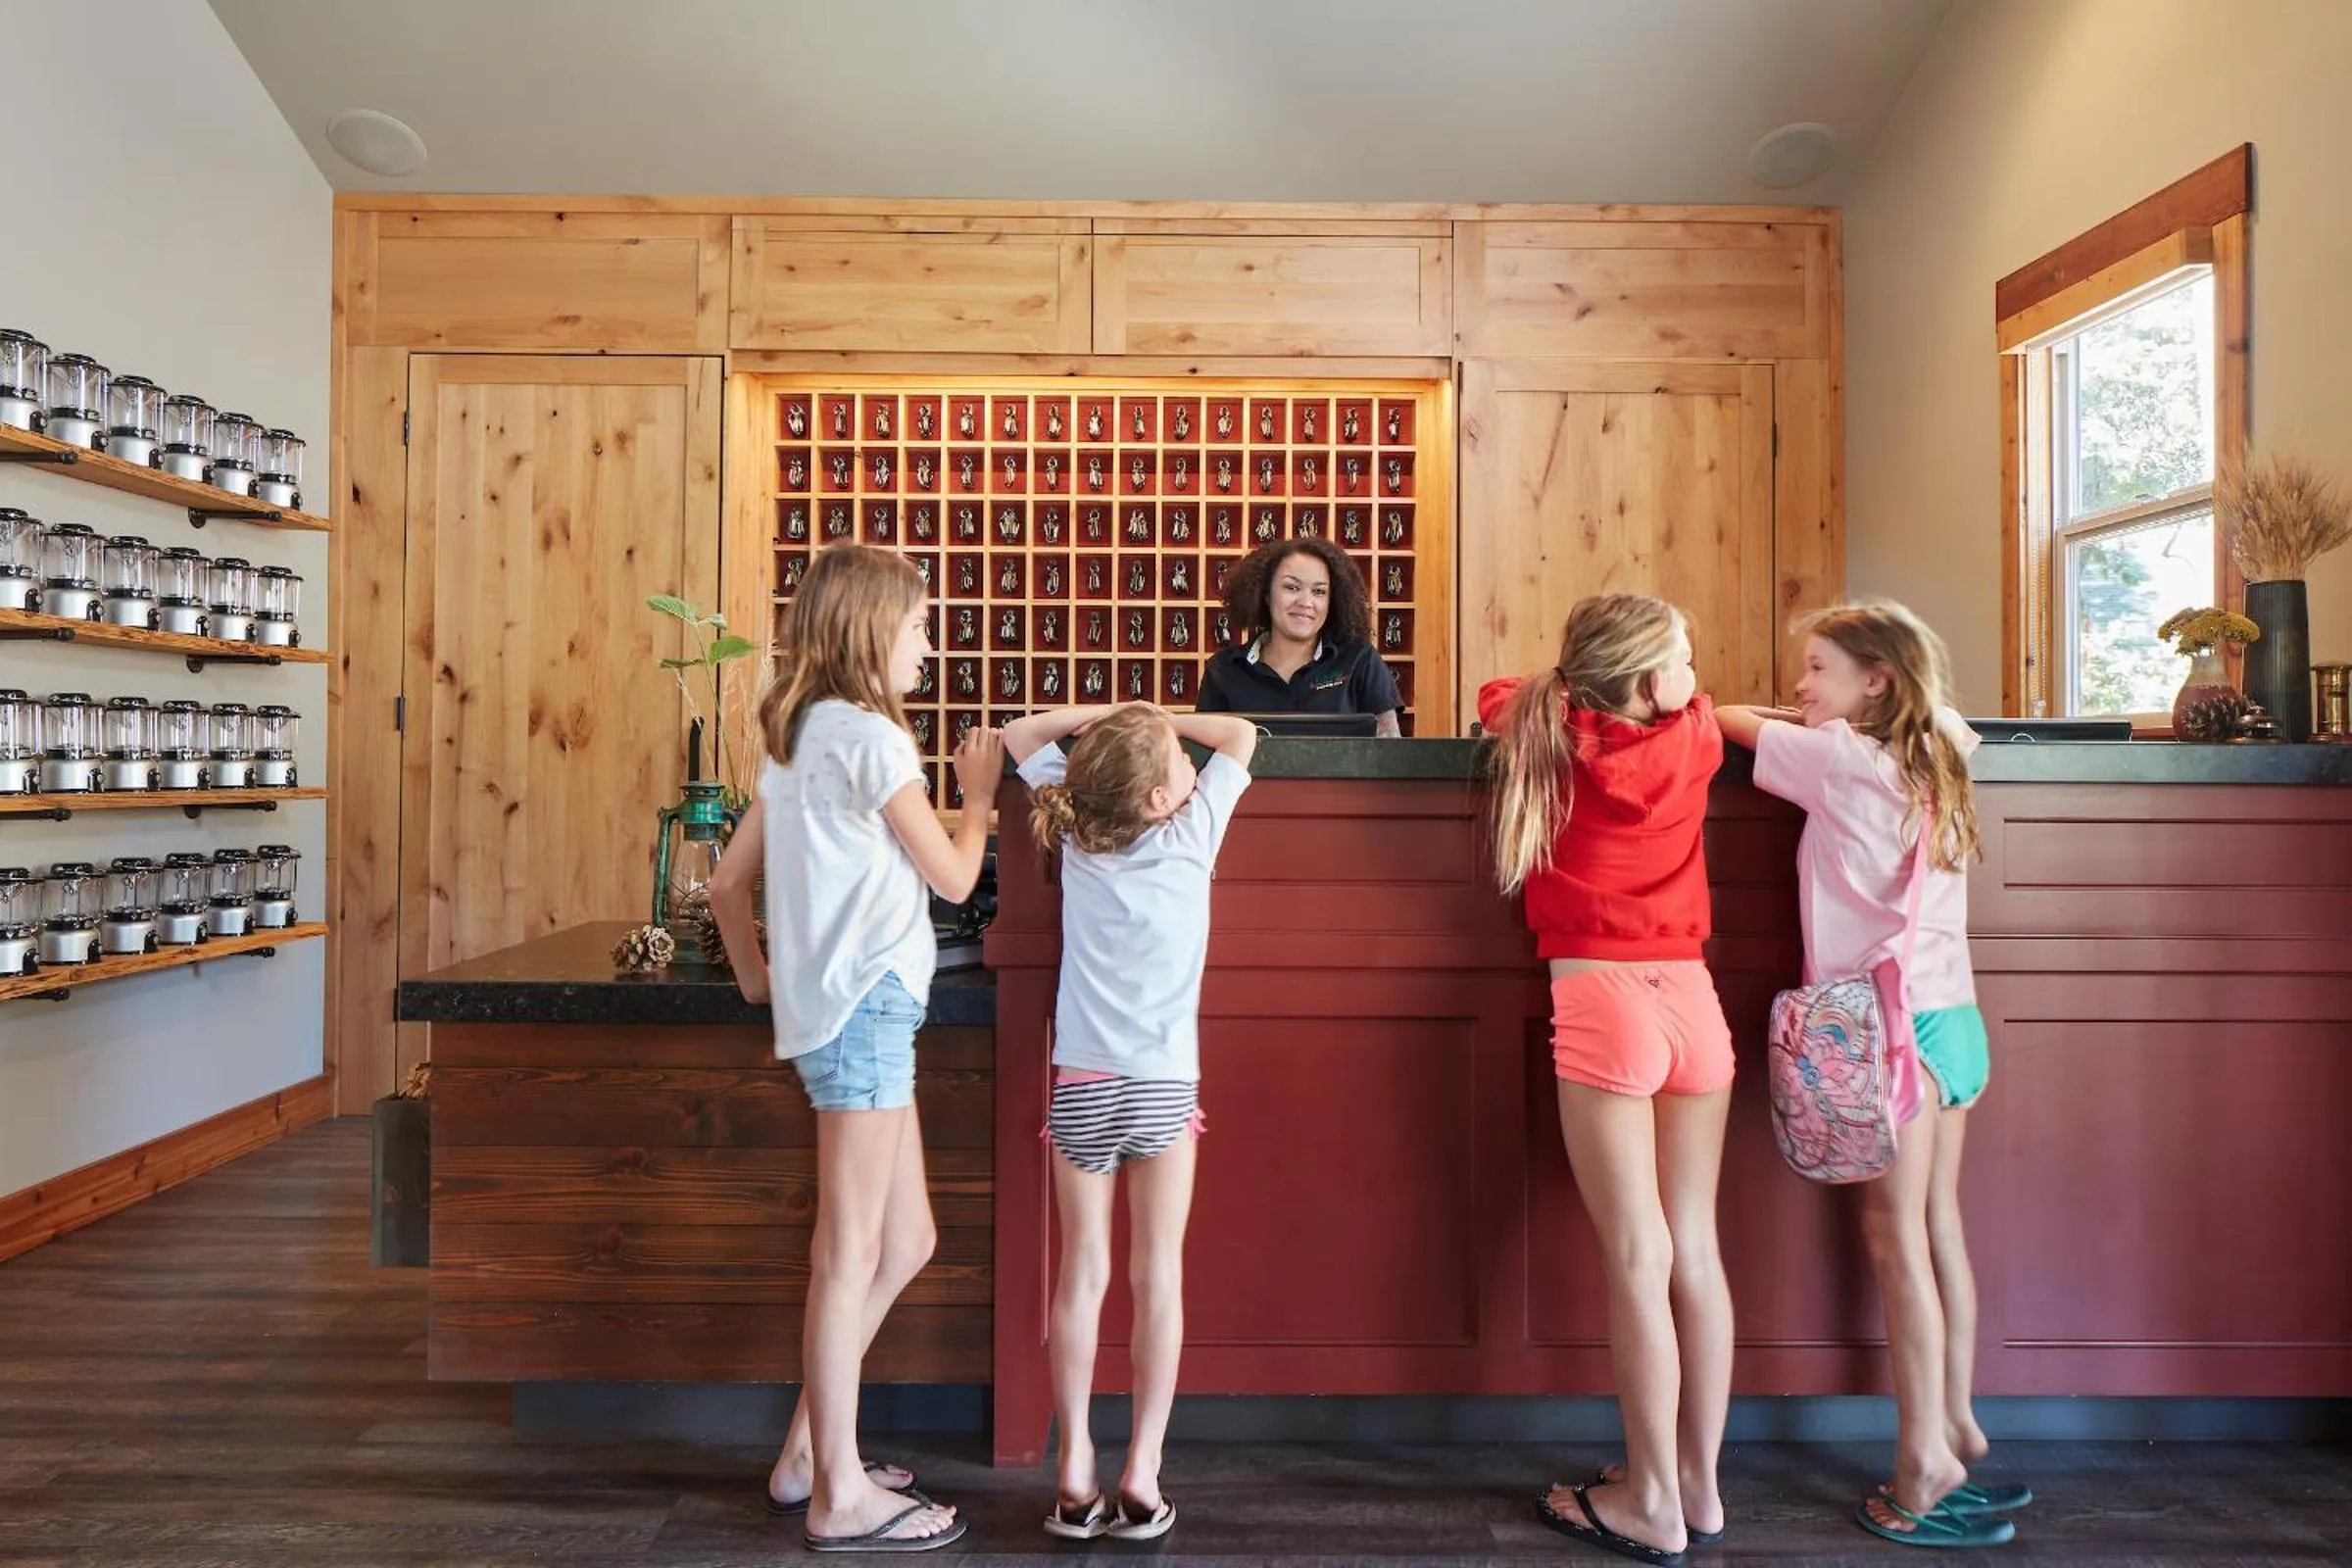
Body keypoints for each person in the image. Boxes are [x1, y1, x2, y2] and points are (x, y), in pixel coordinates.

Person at [705, 544, 1002, 1554]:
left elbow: (721, 884)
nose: (927, 641)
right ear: (871, 628)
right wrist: (981, 792)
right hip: (865, 1015)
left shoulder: (797, 738)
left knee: (904, 1240)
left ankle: (804, 1453)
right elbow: (958, 878)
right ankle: (837, 1492)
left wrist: (756, 978)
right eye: (918, 625)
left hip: (855, 1017)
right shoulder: (871, 739)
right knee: (847, 1257)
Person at [1718, 602, 2028, 1551]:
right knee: (1937, 1226)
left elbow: (1725, 715)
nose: (1804, 688)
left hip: (1886, 1029)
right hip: (1954, 1023)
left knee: (1893, 1240)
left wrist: (1782, 714)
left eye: (1817, 669)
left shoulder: (1843, 761)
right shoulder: (1941, 746)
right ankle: (1956, 1420)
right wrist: (1823, 704)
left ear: (1876, 680)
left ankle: (1923, 1464)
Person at [1480, 593, 1733, 1566]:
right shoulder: (1700, 739)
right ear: (1653, 681)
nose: (1696, 670)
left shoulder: (1545, 734)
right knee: (1695, 1253)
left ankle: (1650, 1499)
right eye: (1684, 654)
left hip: (1603, 1002)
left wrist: (1578, 688)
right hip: (1692, 1003)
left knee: (1639, 1256)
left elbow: (1498, 693)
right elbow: (1708, 710)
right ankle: (1700, 1488)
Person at [1001, 702, 1259, 1543]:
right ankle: (1142, 1474)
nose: (1193, 770)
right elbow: (1245, 737)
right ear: (1159, 798)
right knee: (1158, 1277)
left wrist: (1117, 718)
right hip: (1162, 1088)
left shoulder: (1077, 837)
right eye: (1179, 767)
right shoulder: (1194, 834)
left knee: (1081, 1274)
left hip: (1081, 1081)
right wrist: (1162, 715)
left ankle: (1073, 1467)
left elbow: (1018, 737)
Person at [1195, 537, 1404, 733]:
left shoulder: (1361, 662)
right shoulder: (1223, 669)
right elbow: (1203, 755)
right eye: (1292, 587)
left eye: (1319, 592)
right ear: (1265, 594)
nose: (1305, 602)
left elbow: (1389, 753)